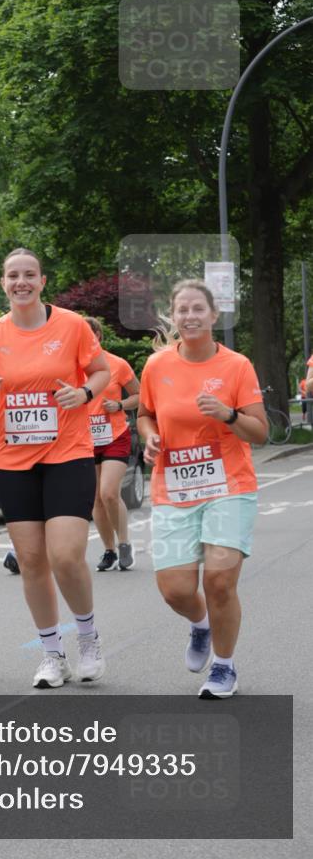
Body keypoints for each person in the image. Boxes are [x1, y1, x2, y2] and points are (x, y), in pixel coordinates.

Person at [0, 248, 110, 689]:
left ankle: (87, 637)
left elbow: (100, 372)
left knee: (65, 556)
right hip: (13, 462)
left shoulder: (71, 326)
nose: (21, 282)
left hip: (67, 453)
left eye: (29, 275)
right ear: (3, 283)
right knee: (31, 561)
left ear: (43, 281)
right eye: (13, 276)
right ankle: (52, 654)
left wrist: (84, 394)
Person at [137, 279, 267, 699]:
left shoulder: (237, 366)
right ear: (173, 317)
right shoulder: (157, 366)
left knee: (220, 582)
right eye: (182, 310)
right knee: (175, 590)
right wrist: (149, 437)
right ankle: (201, 625)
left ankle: (224, 667)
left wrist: (229, 415)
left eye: (198, 309)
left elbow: (261, 433)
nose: (190, 316)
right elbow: (145, 415)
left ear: (213, 316)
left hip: (229, 485)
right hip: (174, 487)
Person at [85, 317, 140, 573]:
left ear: (98, 336)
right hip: (85, 439)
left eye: (90, 334)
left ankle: (125, 543)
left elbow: (140, 397)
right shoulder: (70, 367)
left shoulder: (117, 364)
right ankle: (109, 550)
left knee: (109, 492)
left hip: (115, 436)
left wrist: (119, 405)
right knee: (95, 498)